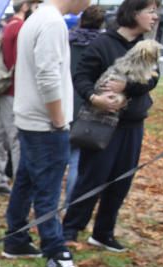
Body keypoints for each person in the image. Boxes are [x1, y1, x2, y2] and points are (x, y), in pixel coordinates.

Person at [2, 0, 90, 267]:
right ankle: (55, 251)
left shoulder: (38, 18)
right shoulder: (51, 22)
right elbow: (48, 75)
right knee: (47, 190)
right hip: (44, 123)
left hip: (31, 119)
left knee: (27, 180)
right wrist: (58, 119)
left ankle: (15, 239)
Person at [62, 0, 160, 252]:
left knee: (121, 181)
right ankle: (70, 229)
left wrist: (127, 87)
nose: (155, 17)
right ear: (134, 13)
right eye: (151, 11)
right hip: (103, 124)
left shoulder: (146, 47)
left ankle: (103, 232)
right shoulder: (102, 44)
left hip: (133, 124)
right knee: (92, 177)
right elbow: (81, 77)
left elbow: (152, 80)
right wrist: (94, 98)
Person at [0, 0, 39, 197]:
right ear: (26, 6)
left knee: (0, 137)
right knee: (16, 139)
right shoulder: (20, 29)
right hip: (15, 90)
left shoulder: (8, 27)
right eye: (35, 6)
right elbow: (22, 62)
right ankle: (20, 188)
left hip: (6, 89)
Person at [63, 4, 105, 208]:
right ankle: (69, 205)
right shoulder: (102, 46)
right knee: (76, 162)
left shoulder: (67, 41)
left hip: (63, 104)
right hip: (88, 108)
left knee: (58, 158)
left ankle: (47, 206)